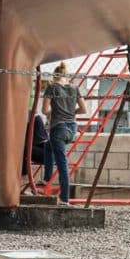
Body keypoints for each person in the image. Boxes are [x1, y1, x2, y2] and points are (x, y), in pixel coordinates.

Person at [41, 61, 86, 204]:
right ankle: (47, 177)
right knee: (49, 147)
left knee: (62, 163)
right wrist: (71, 113)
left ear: (55, 76)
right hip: (71, 129)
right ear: (66, 76)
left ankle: (64, 198)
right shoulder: (74, 88)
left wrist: (51, 114)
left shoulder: (52, 88)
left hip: (58, 128)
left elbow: (44, 110)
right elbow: (84, 110)